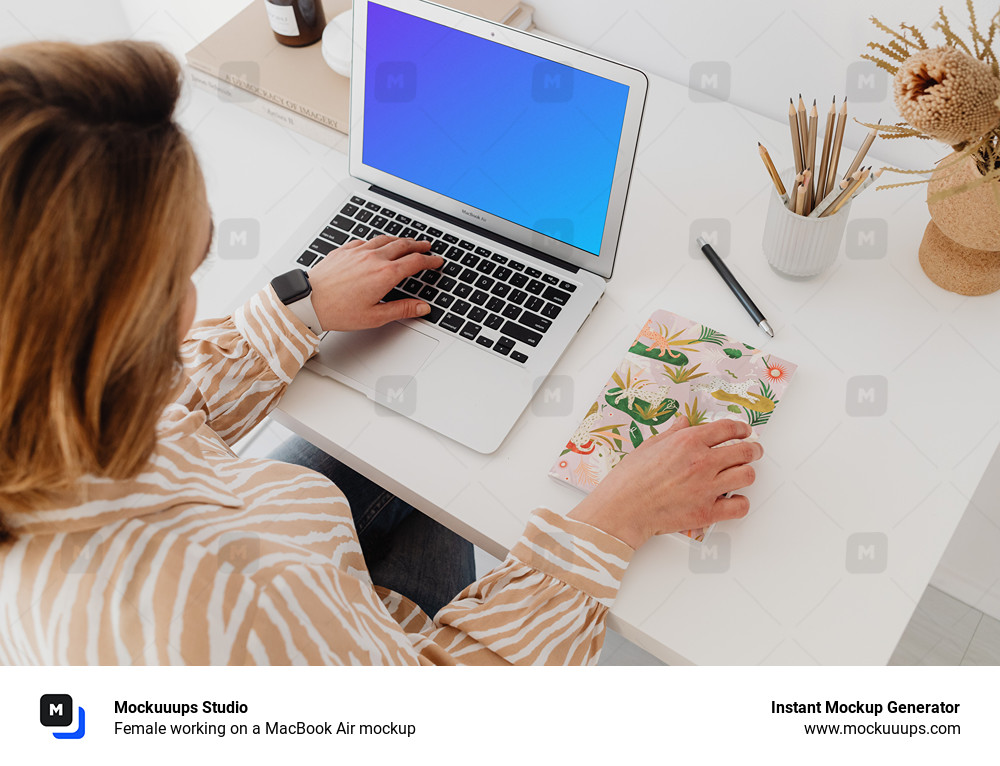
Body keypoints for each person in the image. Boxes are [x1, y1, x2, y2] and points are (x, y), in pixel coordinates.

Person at [0, 40, 761, 665]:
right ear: (102, 330)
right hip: (360, 644)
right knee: (465, 471)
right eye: (183, 273)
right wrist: (612, 521)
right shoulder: (233, 602)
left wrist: (299, 308)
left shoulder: (39, 421)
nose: (197, 300)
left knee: (427, 451)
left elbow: (172, 411)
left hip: (297, 572)